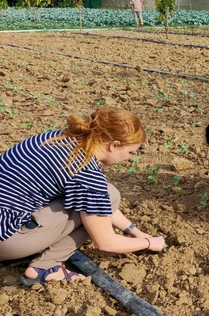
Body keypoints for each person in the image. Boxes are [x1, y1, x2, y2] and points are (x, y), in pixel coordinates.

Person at [0, 107, 165, 285]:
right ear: (114, 145)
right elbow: (106, 243)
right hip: (6, 238)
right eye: (130, 152)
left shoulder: (61, 138)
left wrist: (135, 231)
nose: (129, 159)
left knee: (108, 195)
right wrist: (149, 243)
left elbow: (102, 201)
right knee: (101, 204)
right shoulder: (86, 174)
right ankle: (44, 267)